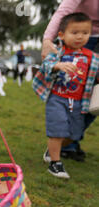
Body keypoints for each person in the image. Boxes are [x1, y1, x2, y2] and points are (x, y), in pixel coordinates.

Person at [33, 13, 98, 179]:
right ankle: (55, 163)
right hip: (57, 99)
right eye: (74, 32)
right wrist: (57, 65)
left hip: (78, 102)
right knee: (57, 130)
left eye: (85, 33)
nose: (80, 37)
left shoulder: (93, 58)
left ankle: (53, 149)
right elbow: (47, 64)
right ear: (61, 35)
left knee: (74, 135)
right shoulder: (58, 52)